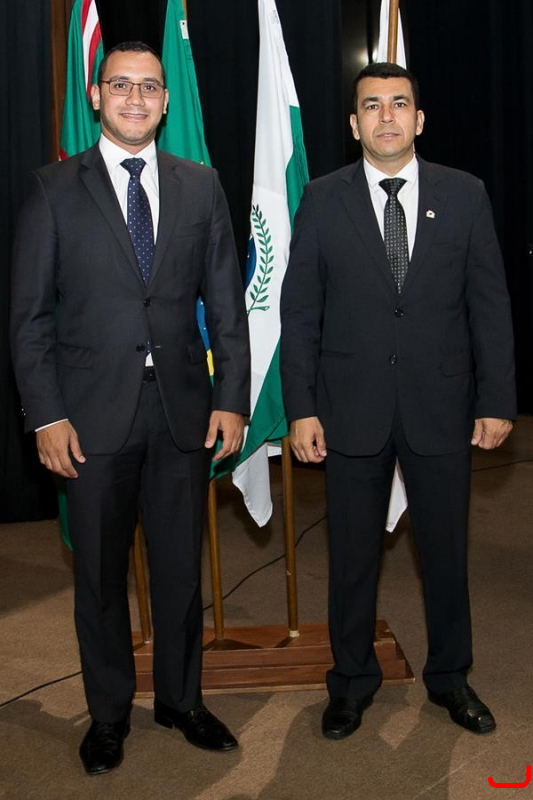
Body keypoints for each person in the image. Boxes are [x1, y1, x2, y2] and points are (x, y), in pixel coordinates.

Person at [10, 42, 250, 774]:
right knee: (99, 577)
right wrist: (46, 415)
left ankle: (180, 700)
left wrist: (232, 400)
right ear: (96, 95)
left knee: (180, 571)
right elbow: (29, 319)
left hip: (182, 413)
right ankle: (109, 713)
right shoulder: (53, 189)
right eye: (121, 85)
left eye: (149, 86)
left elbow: (226, 306)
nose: (136, 98)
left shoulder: (201, 185)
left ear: (166, 100)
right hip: (88, 421)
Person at [280, 62, 516, 740]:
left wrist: (497, 399)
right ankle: (352, 681)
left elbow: (489, 306)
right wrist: (301, 407)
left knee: (445, 554)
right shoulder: (322, 198)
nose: (386, 116)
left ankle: (450, 677)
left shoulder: (464, 194)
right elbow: (301, 312)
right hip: (348, 410)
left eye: (399, 103)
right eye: (371, 106)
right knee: (352, 558)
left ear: (419, 119)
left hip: (441, 407)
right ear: (354, 125)